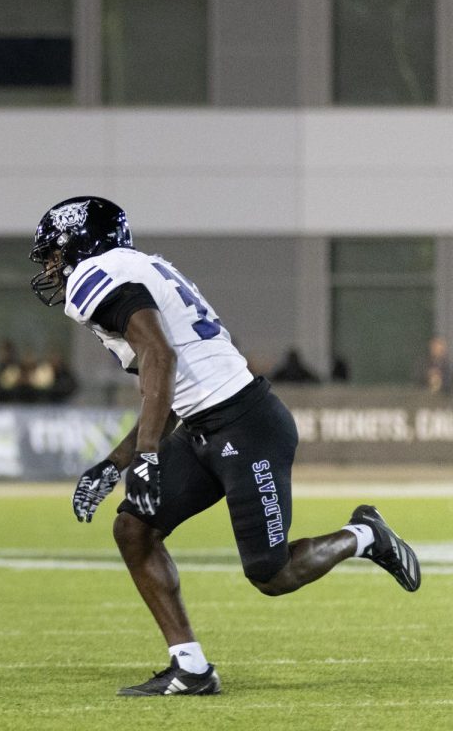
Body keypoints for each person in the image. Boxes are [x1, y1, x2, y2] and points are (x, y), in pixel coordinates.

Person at [28, 196, 421, 697]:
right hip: (206, 424)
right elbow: (165, 386)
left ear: (79, 244)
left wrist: (147, 456)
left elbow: (161, 359)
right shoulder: (138, 268)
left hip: (245, 424)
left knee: (271, 572)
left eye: (53, 254)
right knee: (134, 528)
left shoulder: (95, 276)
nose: (50, 267)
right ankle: (190, 667)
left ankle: (364, 535)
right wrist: (115, 462)